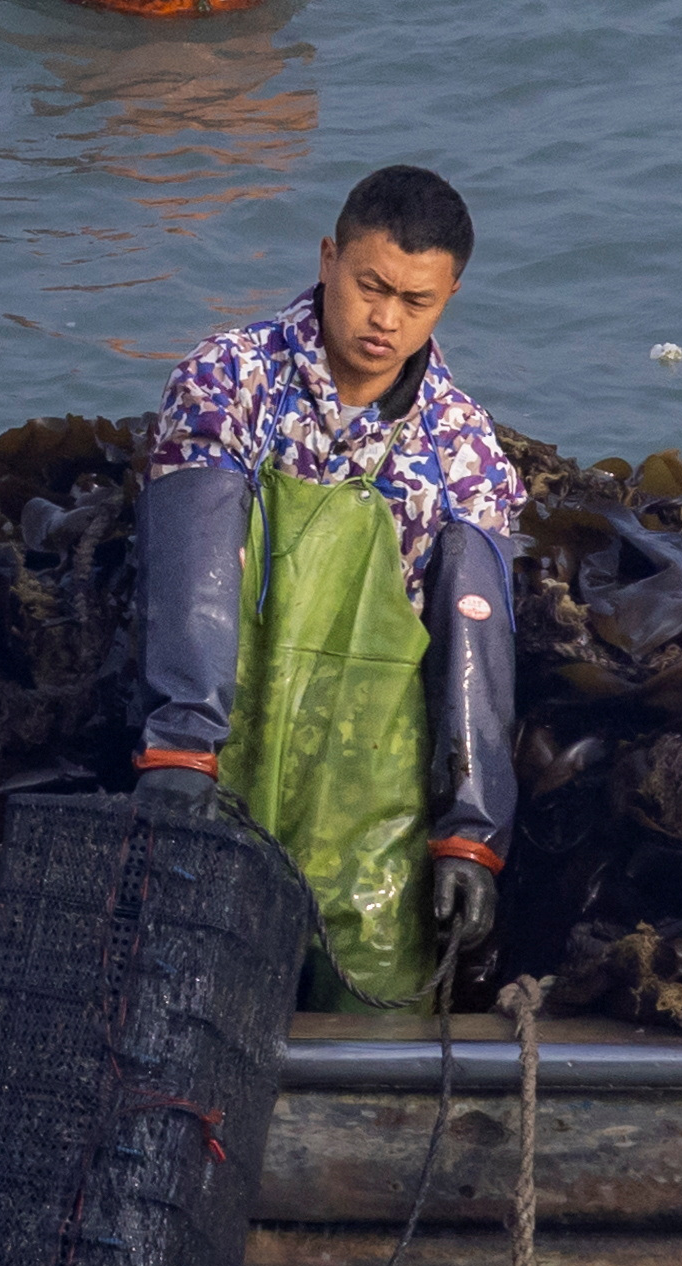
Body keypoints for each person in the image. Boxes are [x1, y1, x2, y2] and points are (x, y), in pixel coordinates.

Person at [135, 164, 525, 1010]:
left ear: (449, 295)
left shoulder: (465, 451)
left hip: (370, 805)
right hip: (222, 763)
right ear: (328, 258)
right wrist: (181, 746)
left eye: (415, 301)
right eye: (370, 285)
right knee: (182, 1007)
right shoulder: (227, 381)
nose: (386, 319)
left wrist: (472, 833)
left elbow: (474, 645)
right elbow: (191, 564)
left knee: (377, 1024)